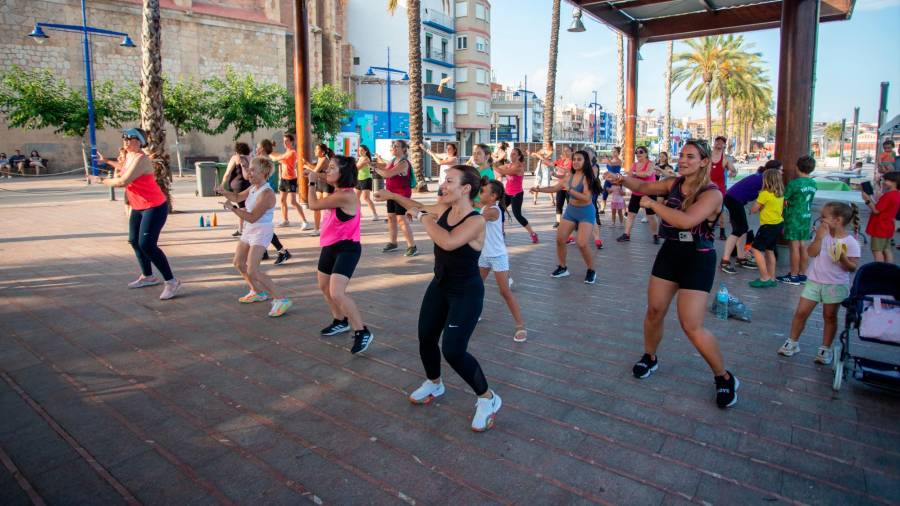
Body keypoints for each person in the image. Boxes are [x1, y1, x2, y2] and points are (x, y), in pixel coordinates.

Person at [604, 139, 739, 408]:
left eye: (691, 156)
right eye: (682, 156)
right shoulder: (674, 183)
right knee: (654, 311)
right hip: (671, 252)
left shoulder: (712, 193)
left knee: (691, 325)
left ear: (704, 161)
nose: (683, 160)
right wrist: (619, 178)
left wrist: (654, 206)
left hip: (698, 258)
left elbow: (687, 221)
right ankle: (650, 357)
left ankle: (724, 377)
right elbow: (642, 187)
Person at [374, 165, 502, 432]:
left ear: (466, 189)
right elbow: (418, 204)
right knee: (426, 337)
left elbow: (448, 241)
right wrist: (394, 198)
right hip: (440, 285)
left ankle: (488, 398)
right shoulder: (444, 209)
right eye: (444, 180)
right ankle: (434, 382)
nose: (444, 185)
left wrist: (421, 217)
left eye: (449, 181)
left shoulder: (476, 220)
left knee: (454, 350)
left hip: (466, 292)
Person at [95, 128, 181, 300]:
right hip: (138, 206)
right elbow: (124, 168)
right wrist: (106, 161)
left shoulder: (141, 158)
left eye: (131, 139)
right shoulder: (130, 156)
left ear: (140, 141)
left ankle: (172, 282)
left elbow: (123, 180)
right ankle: (148, 276)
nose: (126, 142)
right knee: (134, 241)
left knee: (147, 244)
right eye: (124, 139)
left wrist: (101, 180)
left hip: (154, 206)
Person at [306, 156, 374, 354]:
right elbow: (324, 176)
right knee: (324, 287)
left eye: (332, 168)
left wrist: (310, 181)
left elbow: (312, 205)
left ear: (342, 174)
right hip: (330, 246)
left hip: (347, 248)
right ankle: (339, 320)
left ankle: (362, 331)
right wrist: (315, 174)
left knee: (337, 292)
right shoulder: (337, 190)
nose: (327, 170)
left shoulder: (346, 196)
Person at [778, 202, 860, 365]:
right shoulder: (822, 235)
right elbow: (811, 252)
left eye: (824, 217)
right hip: (814, 280)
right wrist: (819, 238)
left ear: (837, 220)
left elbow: (852, 267)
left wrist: (842, 258)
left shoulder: (851, 242)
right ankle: (792, 342)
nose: (820, 220)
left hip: (835, 284)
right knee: (801, 312)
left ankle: (825, 348)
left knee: (829, 316)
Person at [217, 157, 292, 317]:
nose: (249, 173)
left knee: (253, 270)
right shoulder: (253, 187)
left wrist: (232, 209)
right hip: (249, 229)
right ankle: (257, 292)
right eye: (248, 169)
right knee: (238, 263)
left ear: (264, 173)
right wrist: (224, 192)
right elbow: (237, 198)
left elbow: (252, 217)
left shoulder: (267, 194)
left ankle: (281, 299)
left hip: (261, 230)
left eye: (252, 170)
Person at [530, 150, 601, 283]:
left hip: (586, 212)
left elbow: (586, 198)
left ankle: (591, 270)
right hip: (571, 211)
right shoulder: (569, 177)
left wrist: (570, 190)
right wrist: (538, 189)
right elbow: (554, 188)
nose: (575, 162)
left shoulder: (588, 178)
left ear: (585, 162)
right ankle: (563, 268)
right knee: (559, 239)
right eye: (574, 159)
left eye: (579, 159)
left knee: (582, 244)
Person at [476, 178, 528, 342]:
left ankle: (520, 325)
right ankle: (473, 314)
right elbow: (473, 205)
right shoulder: (485, 206)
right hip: (484, 255)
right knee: (476, 286)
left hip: (498, 256)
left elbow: (477, 218)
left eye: (483, 191)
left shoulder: (494, 211)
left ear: (493, 196)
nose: (480, 193)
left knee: (505, 292)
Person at [720, 161, 781, 274]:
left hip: (734, 199)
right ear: (773, 171)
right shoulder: (763, 180)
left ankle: (741, 258)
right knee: (739, 230)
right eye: (780, 170)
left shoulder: (761, 177)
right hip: (733, 200)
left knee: (743, 229)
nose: (782, 173)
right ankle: (725, 261)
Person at [777, 156, 818, 285]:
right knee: (802, 245)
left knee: (794, 246)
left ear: (797, 167)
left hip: (794, 217)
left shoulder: (794, 184)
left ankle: (793, 276)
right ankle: (802, 274)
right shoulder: (813, 183)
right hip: (806, 216)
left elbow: (784, 199)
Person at [373, 140, 418, 256]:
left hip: (401, 194)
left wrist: (374, 168)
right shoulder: (393, 160)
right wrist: (376, 161)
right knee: (391, 217)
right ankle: (393, 243)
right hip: (390, 194)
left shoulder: (404, 163)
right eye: (392, 146)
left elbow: (388, 174)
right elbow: (385, 166)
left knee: (401, 219)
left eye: (396, 146)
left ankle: (412, 246)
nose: (393, 147)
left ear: (403, 149)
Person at [255, 140, 292, 265]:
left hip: (265, 194)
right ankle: (264, 252)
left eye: (258, 146)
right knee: (260, 224)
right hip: (260, 193)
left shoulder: (265, 161)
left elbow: (259, 177)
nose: (256, 148)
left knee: (263, 225)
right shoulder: (261, 159)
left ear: (263, 148)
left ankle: (282, 251)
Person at [748, 168, 785, 288]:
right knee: (770, 250)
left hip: (767, 226)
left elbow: (754, 209)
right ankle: (772, 277)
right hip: (778, 224)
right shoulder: (780, 193)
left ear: (766, 180)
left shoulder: (765, 194)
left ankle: (764, 277)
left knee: (756, 249)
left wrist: (756, 207)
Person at [493, 147, 538, 243]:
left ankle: (532, 233)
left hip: (516, 194)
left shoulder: (519, 167)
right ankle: (501, 232)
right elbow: (499, 169)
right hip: (507, 193)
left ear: (519, 156)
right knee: (499, 210)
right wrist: (494, 161)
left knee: (517, 215)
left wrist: (492, 165)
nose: (511, 155)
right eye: (511, 153)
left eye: (514, 154)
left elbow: (503, 172)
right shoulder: (509, 165)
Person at [617, 146, 659, 243]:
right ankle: (626, 234)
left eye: (641, 152)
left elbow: (647, 174)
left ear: (646, 153)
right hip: (636, 192)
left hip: (649, 192)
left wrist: (634, 173)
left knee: (651, 216)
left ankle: (655, 235)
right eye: (636, 152)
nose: (638, 154)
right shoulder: (634, 164)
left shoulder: (651, 164)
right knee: (631, 214)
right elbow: (629, 176)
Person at [270, 133, 310, 231]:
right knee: (282, 200)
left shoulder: (292, 153)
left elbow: (276, 158)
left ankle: (305, 221)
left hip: (291, 179)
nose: (284, 142)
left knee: (293, 202)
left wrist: (268, 151)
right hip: (284, 179)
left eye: (286, 141)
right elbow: (278, 156)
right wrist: (270, 150)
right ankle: (285, 220)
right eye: (284, 141)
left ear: (292, 142)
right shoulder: (286, 152)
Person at [862, 171, 900, 263]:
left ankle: (879, 270)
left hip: (880, 227)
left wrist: (867, 199)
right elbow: (880, 207)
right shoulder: (897, 194)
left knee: (877, 251)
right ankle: (888, 269)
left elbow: (876, 210)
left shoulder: (888, 195)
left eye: (886, 180)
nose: (883, 182)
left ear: (894, 182)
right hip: (888, 226)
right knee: (886, 249)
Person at [303, 143, 335, 235]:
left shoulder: (324, 159)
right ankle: (316, 229)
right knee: (317, 208)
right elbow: (315, 169)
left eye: (317, 149)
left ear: (323, 152)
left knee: (327, 209)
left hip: (327, 185)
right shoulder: (319, 159)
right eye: (315, 149)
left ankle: (329, 229)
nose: (315, 151)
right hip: (320, 184)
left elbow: (315, 170)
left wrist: (306, 164)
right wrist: (308, 166)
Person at [222, 142, 252, 238]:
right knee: (244, 206)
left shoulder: (235, 158)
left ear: (237, 150)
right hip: (248, 185)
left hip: (237, 185)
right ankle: (242, 228)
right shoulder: (250, 158)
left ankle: (242, 229)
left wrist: (222, 185)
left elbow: (227, 173)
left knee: (242, 207)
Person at [711, 136, 738, 240]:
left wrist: (733, 173)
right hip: (707, 187)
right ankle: (706, 229)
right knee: (704, 207)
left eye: (721, 142)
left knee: (721, 210)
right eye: (717, 141)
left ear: (724, 145)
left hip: (719, 188)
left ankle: (722, 232)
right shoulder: (708, 157)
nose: (718, 143)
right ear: (714, 143)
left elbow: (734, 170)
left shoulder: (725, 159)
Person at [354, 145, 381, 221]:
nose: (360, 152)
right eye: (358, 150)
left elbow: (357, 168)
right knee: (356, 198)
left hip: (365, 179)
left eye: (361, 150)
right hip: (359, 179)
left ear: (365, 151)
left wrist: (370, 174)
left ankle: (375, 214)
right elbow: (371, 169)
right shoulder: (360, 158)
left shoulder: (366, 159)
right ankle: (359, 214)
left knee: (366, 198)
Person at [599, 146, 623, 213]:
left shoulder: (619, 161)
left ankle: (623, 211)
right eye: (612, 151)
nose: (613, 152)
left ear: (618, 153)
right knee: (604, 194)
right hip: (608, 179)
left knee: (619, 197)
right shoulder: (610, 160)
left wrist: (607, 160)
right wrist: (605, 159)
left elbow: (612, 165)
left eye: (615, 151)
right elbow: (602, 161)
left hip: (616, 180)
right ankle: (602, 209)